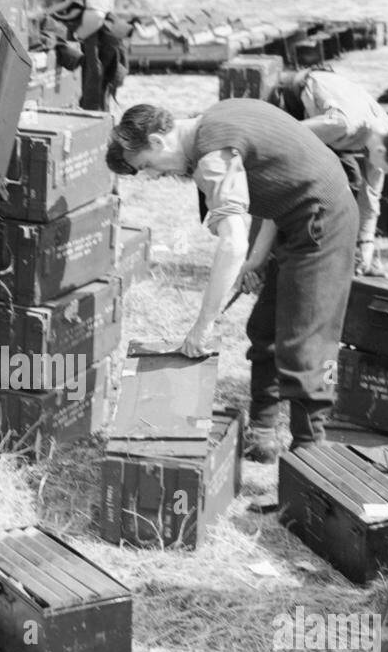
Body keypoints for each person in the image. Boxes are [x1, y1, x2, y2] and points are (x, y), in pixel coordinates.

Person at [106, 99, 358, 461]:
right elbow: (282, 178)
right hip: (297, 214)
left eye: (147, 166)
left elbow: (232, 241)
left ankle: (309, 454)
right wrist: (258, 259)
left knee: (306, 343)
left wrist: (202, 324)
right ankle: (264, 431)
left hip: (325, 221)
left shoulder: (213, 157)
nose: (154, 176)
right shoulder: (214, 118)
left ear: (159, 142)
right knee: (265, 328)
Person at [274, 67, 388, 276]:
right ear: (381, 151)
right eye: (384, 168)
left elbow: (370, 196)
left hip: (332, 122)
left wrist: (366, 243)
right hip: (291, 98)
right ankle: (272, 259)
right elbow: (285, 135)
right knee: (303, 184)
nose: (381, 172)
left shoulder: (384, 135)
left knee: (351, 185)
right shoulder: (340, 123)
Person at [55, 0, 122, 112]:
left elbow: (96, 14)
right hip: (91, 48)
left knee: (91, 108)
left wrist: (76, 37)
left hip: (94, 50)